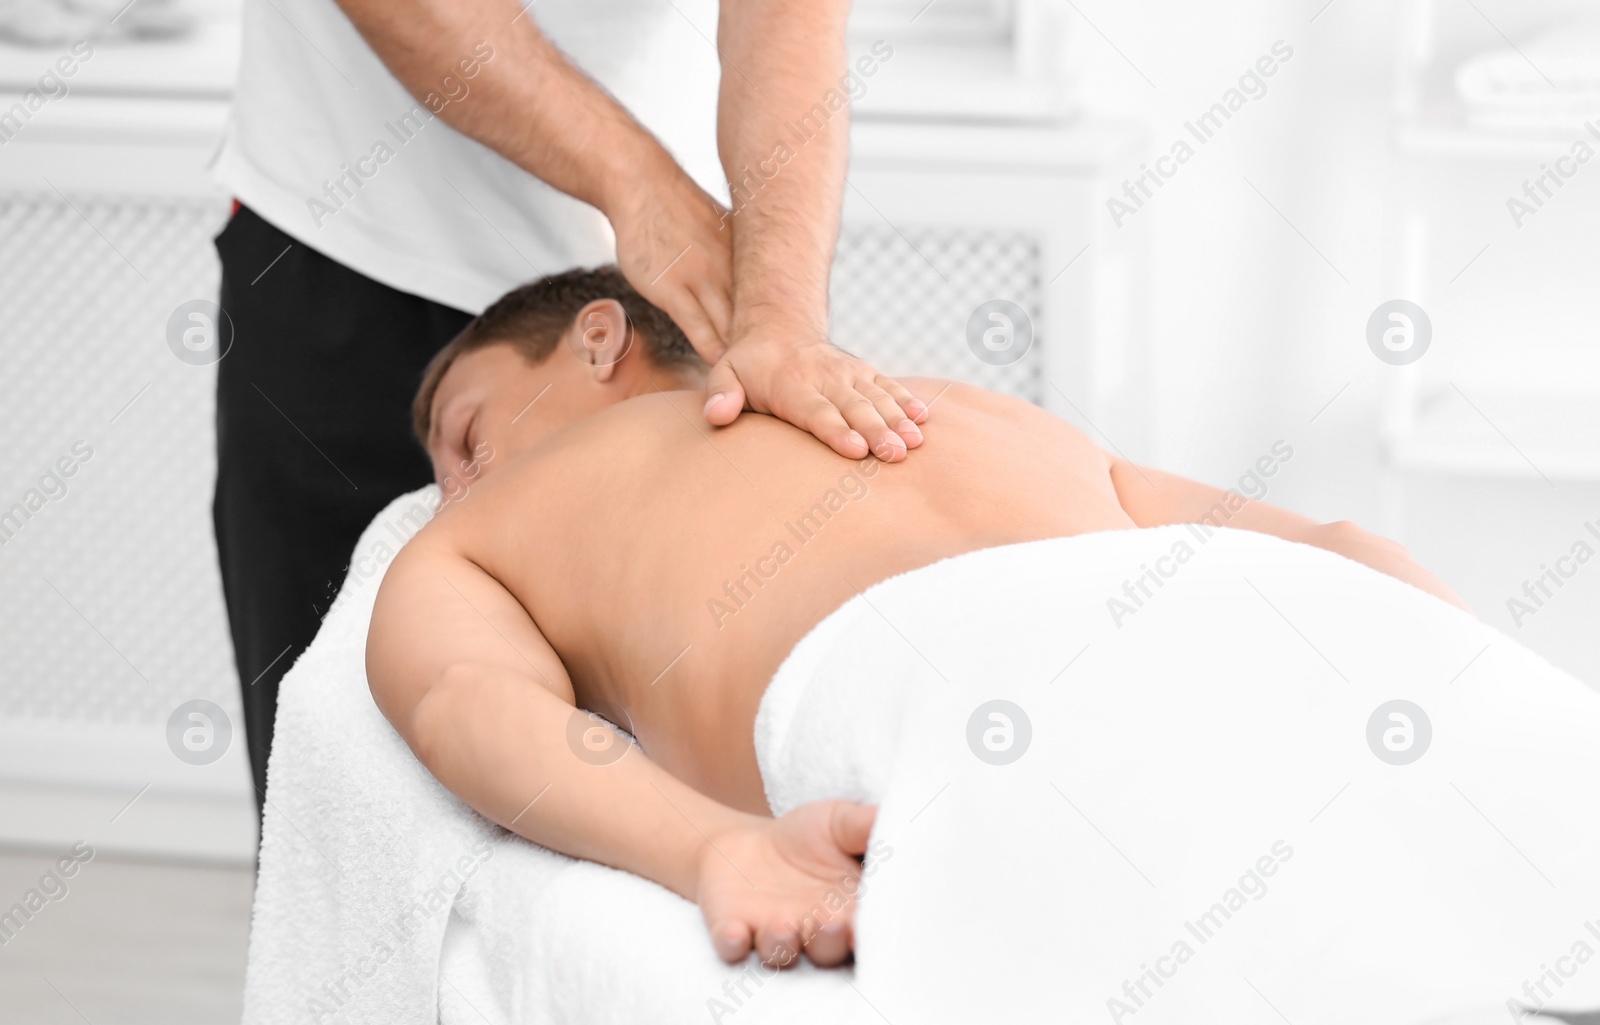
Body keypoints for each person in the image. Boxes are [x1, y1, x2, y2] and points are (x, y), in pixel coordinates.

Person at [364, 266, 1469, 969]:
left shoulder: (483, 529)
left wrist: (718, 850)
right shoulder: (957, 409)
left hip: (979, 699)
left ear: (597, 336)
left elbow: (466, 701)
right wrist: (1456, 671)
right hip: (1220, 632)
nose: (454, 488)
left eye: (465, 435)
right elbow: (1341, 548)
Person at [211, 0, 926, 815]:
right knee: (329, 771)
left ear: (600, 346)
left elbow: (786, 19)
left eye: (468, 445)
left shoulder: (758, 447)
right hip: (348, 240)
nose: (451, 505)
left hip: (648, 269)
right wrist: (636, 183)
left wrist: (782, 317)